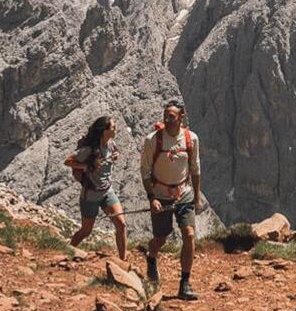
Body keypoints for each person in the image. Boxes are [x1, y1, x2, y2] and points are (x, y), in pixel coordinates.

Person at [140, 100, 202, 300]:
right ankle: (151, 258)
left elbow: (195, 169)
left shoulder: (191, 139)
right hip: (160, 196)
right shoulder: (153, 140)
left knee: (189, 235)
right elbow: (145, 171)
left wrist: (196, 196)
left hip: (183, 194)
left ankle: (185, 283)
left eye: (172, 116)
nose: (167, 119)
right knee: (161, 238)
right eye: (165, 115)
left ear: (181, 118)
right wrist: (152, 198)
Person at [65, 115, 129, 261]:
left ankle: (123, 260)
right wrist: (85, 166)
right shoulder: (89, 149)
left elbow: (112, 155)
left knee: (121, 224)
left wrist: (115, 156)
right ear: (104, 131)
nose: (116, 129)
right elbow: (68, 161)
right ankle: (68, 250)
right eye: (113, 127)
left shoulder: (111, 144)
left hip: (107, 191)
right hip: (90, 195)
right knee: (86, 230)